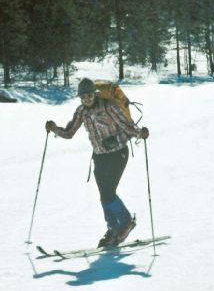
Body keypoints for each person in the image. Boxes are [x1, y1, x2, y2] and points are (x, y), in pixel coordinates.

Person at [45, 77, 149, 248]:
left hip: (118, 153)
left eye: (90, 95)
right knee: (104, 196)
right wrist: (54, 128)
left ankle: (126, 222)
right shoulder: (81, 112)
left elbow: (126, 125)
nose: (87, 99)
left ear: (95, 94)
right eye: (83, 96)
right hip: (99, 156)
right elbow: (70, 132)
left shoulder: (109, 106)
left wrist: (140, 133)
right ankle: (113, 229)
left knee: (108, 193)